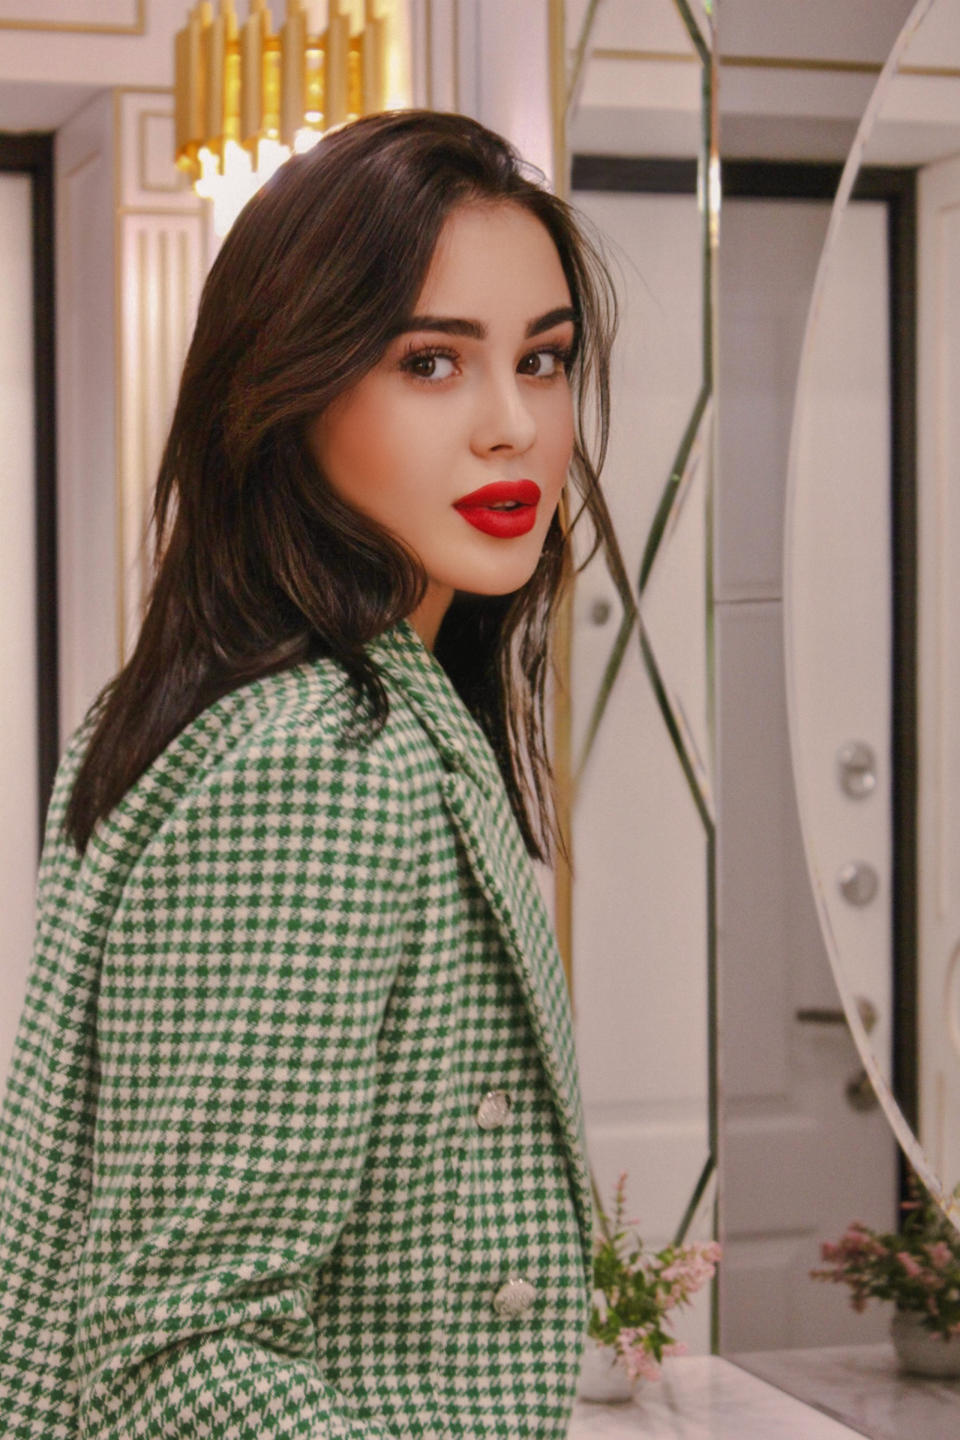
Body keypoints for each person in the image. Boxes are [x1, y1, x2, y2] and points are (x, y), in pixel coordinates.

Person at [0, 108, 618, 1439]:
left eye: (544, 358)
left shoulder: (210, 698)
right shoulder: (322, 761)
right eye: (430, 362)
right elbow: (177, 1353)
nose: (515, 425)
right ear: (290, 385)